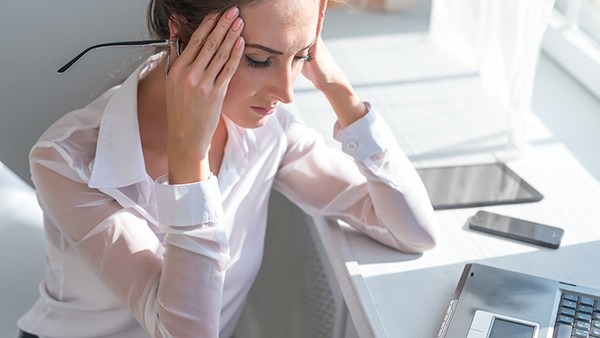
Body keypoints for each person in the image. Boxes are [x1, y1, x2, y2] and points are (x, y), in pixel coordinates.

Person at [17, 0, 439, 337]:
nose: (287, 92)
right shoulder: (67, 160)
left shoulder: (267, 130)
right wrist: (190, 162)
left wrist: (339, 91)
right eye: (258, 59)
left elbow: (411, 232)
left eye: (300, 56)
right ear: (182, 34)